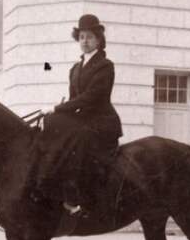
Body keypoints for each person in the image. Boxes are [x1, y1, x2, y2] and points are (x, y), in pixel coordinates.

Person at [32, 14, 123, 216]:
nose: (85, 41)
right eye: (81, 37)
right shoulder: (75, 68)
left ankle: (79, 198)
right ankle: (48, 184)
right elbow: (74, 100)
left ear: (99, 40)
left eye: (89, 37)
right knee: (50, 123)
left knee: (78, 138)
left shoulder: (105, 66)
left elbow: (91, 98)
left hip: (102, 121)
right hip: (83, 118)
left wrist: (57, 108)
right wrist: (54, 112)